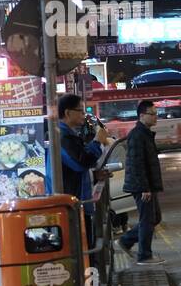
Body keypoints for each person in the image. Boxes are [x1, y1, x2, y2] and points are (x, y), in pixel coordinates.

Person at [57, 94, 110, 245]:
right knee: (83, 248)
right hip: (73, 205)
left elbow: (75, 167)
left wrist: (94, 175)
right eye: (80, 111)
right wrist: (98, 141)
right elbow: (81, 163)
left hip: (78, 203)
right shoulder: (63, 137)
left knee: (88, 245)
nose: (83, 115)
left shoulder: (69, 135)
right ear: (68, 113)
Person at [118, 100, 166, 265]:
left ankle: (126, 241)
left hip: (147, 185)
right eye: (152, 114)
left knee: (154, 218)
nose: (155, 117)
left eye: (156, 114)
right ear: (141, 115)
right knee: (147, 220)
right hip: (142, 186)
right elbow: (137, 163)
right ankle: (144, 255)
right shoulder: (138, 135)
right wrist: (145, 187)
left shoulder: (145, 133)